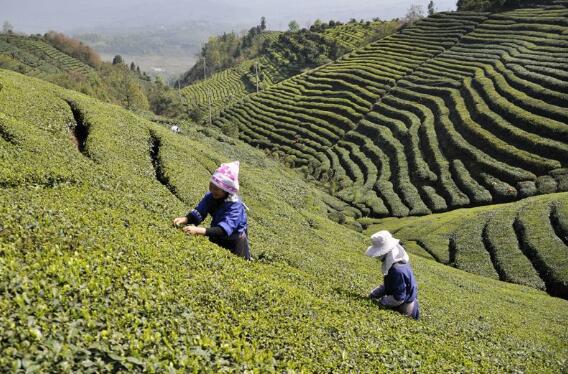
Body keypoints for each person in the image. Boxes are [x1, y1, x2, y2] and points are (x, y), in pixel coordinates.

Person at [173, 161, 251, 260]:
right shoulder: (210, 196)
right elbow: (200, 211)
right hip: (216, 234)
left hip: (234, 242)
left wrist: (198, 230)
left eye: (217, 189)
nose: (212, 190)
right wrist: (185, 219)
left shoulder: (235, 206)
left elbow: (224, 229)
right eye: (211, 186)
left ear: (226, 191)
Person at [365, 230, 420, 320]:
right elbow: (392, 285)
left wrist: (382, 302)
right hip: (406, 303)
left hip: (405, 309)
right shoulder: (399, 262)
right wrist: (374, 294)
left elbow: (399, 298)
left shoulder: (397, 270)